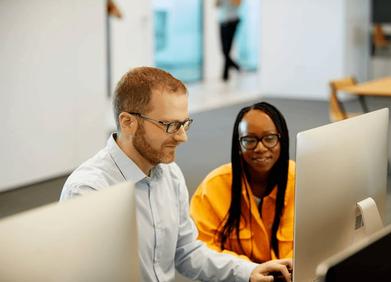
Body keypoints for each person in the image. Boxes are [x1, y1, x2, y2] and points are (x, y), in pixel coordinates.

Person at [60, 67, 292, 282]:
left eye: (184, 124)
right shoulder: (88, 191)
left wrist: (248, 271)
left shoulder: (170, 174)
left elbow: (187, 251)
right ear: (128, 122)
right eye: (170, 125)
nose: (182, 137)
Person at [190, 102, 295, 263]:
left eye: (269, 138)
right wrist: (248, 271)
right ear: (238, 144)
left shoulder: (301, 179)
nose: (260, 148)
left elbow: (319, 235)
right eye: (250, 140)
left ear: (282, 140)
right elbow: (200, 249)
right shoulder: (212, 187)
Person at [217, 0, 241, 81]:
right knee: (224, 50)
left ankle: (225, 75)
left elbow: (238, 3)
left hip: (232, 22)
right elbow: (216, 5)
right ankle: (235, 66)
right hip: (222, 21)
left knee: (227, 48)